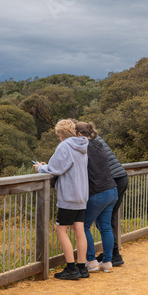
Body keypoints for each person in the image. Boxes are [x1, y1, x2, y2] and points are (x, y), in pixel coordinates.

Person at [34, 119, 89, 280]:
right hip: (82, 194)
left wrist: (40, 168)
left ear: (60, 134)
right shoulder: (83, 145)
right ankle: (82, 267)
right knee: (79, 230)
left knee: (60, 230)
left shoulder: (65, 146)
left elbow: (55, 168)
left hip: (69, 195)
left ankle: (71, 268)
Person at [75, 122, 117, 273]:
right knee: (105, 227)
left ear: (79, 135)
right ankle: (107, 262)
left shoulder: (83, 147)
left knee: (83, 226)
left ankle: (91, 261)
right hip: (112, 190)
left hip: (97, 192)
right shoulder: (98, 144)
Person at [94, 134, 128, 266]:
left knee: (104, 221)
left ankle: (113, 254)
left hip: (112, 181)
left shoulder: (87, 143)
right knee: (109, 219)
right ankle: (113, 254)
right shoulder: (96, 138)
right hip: (121, 177)